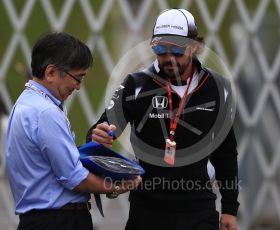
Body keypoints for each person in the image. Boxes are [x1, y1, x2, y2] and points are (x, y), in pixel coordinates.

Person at [87, 8, 239, 230]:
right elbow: (101, 130)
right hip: (147, 210)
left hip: (199, 210)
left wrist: (229, 209)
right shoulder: (136, 84)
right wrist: (98, 135)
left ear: (194, 47)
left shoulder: (219, 87)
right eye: (160, 49)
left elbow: (225, 152)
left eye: (177, 51)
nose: (168, 58)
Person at [5, 32, 141, 230]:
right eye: (77, 78)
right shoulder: (46, 112)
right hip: (58, 221)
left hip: (42, 219)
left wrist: (95, 147)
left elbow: (54, 163)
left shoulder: (27, 103)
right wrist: (118, 185)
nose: (78, 87)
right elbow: (74, 177)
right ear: (51, 73)